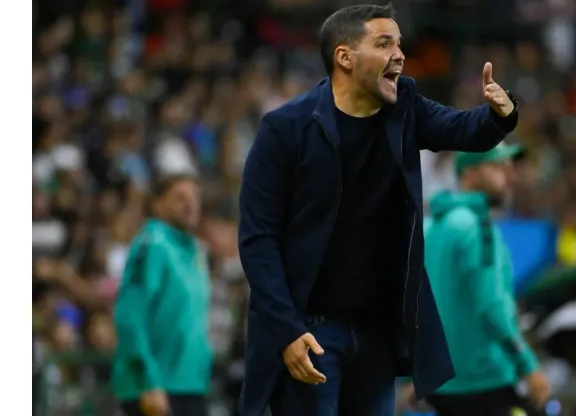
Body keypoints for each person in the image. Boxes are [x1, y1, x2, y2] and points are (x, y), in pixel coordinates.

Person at [237, 4, 520, 415]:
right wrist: (287, 331)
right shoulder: (285, 129)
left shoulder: (404, 109)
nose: (400, 55)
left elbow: (461, 128)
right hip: (311, 333)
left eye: (400, 44)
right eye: (384, 43)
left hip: (376, 335)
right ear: (345, 57)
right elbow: (258, 239)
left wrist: (501, 113)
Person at [420, 145, 550, 416]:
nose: (509, 176)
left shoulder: (433, 226)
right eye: (497, 167)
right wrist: (527, 364)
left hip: (443, 384)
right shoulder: (477, 226)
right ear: (470, 173)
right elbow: (491, 306)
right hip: (484, 379)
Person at [112, 175, 212, 416]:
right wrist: (149, 381)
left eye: (195, 198)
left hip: (190, 385)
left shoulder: (194, 250)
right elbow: (129, 316)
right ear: (157, 204)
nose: (190, 204)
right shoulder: (152, 244)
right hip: (156, 390)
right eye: (180, 198)